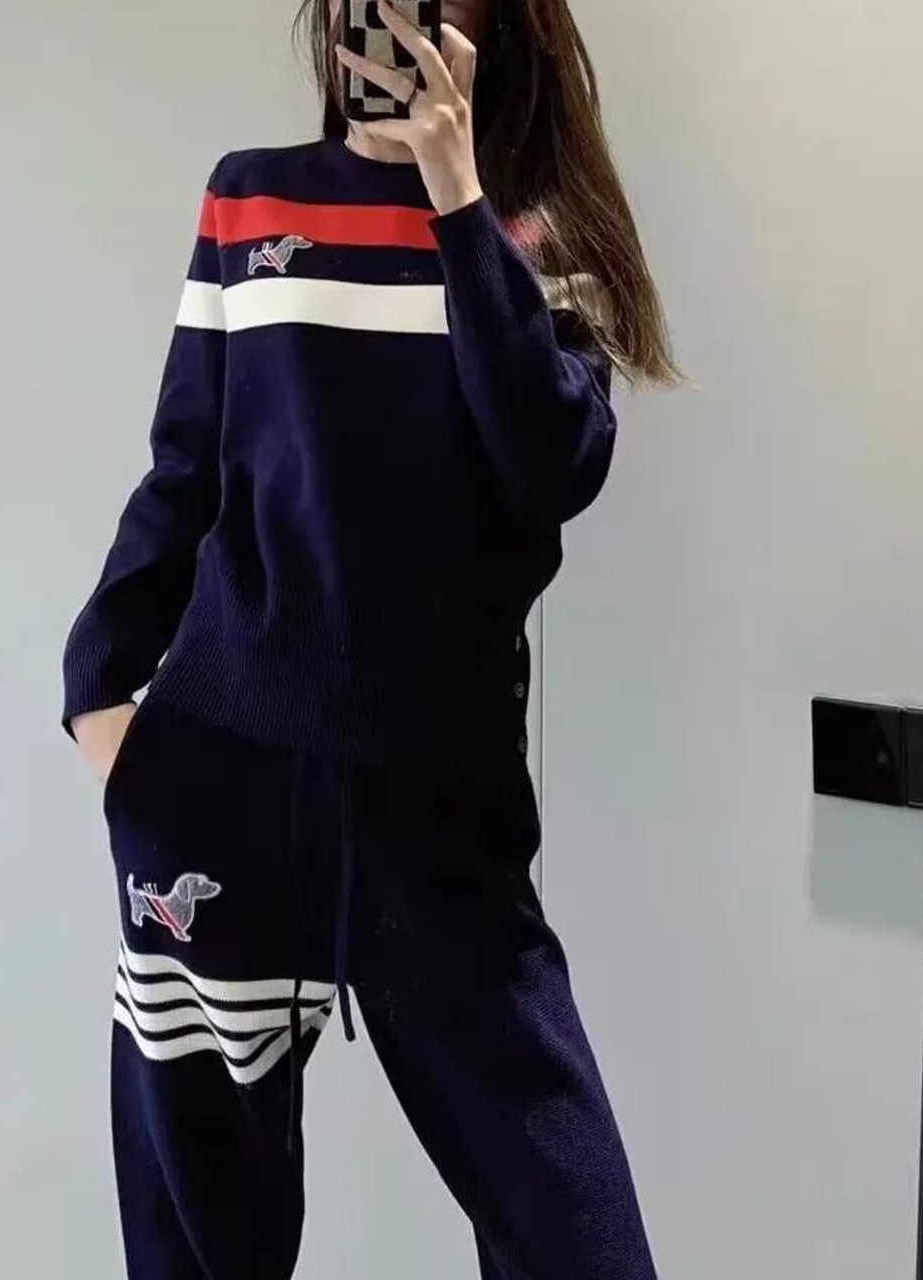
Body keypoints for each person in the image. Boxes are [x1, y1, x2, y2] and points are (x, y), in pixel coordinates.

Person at [62, 0, 678, 1275]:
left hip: (437, 813)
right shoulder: (248, 201)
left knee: (576, 1240)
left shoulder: (538, 234)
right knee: (197, 1247)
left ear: (494, 24)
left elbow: (549, 467)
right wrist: (97, 691)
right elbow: (185, 470)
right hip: (217, 790)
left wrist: (459, 201)